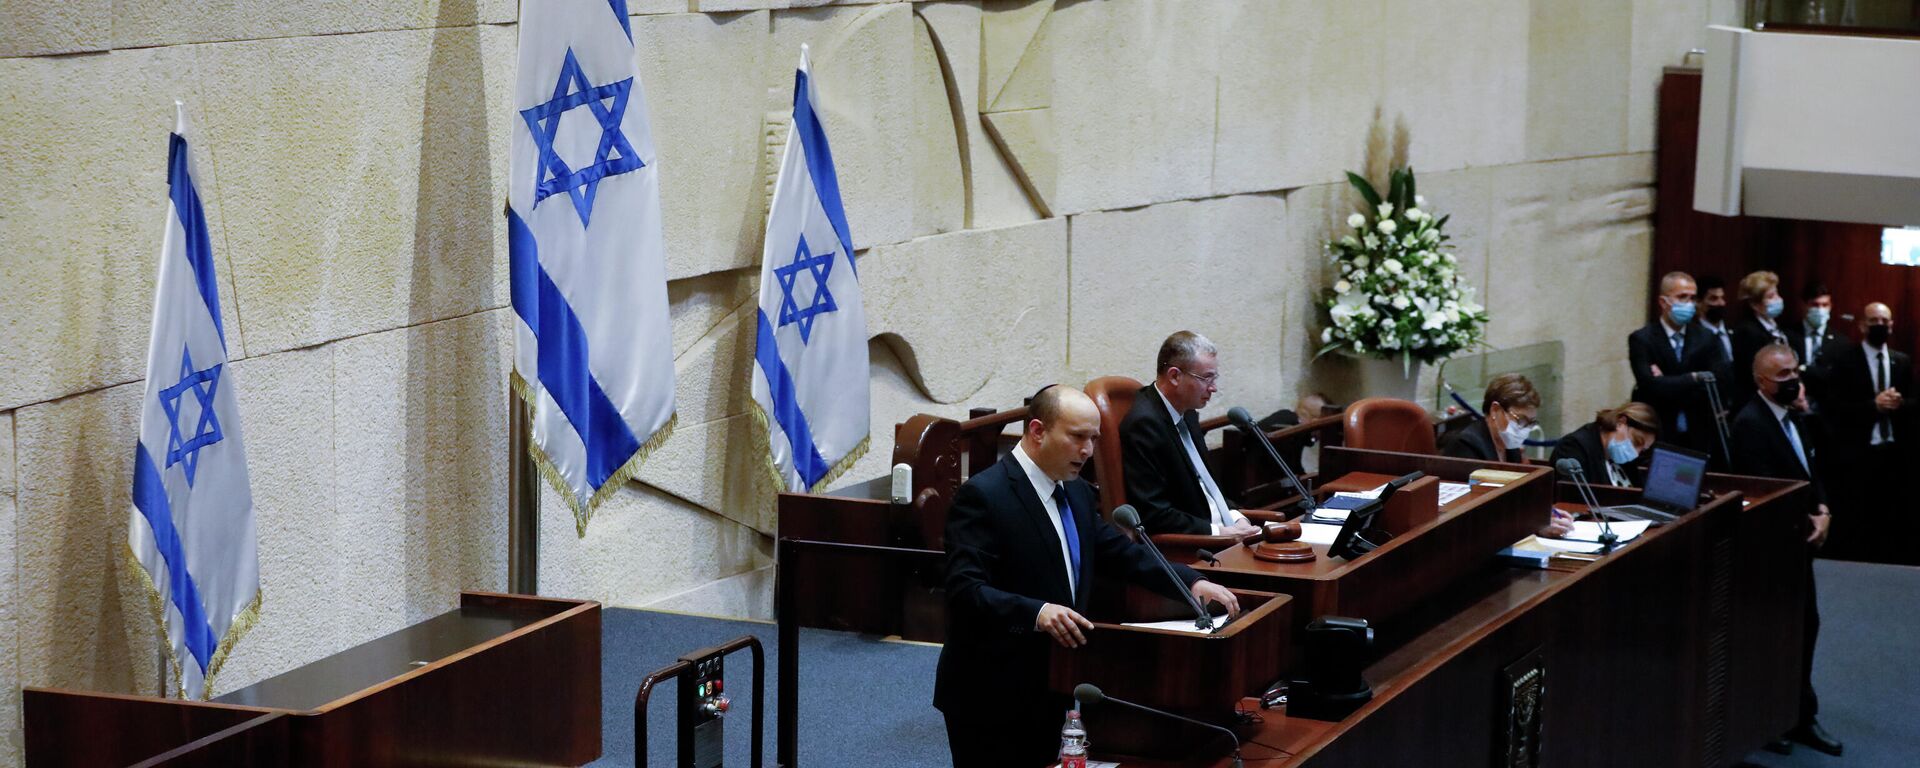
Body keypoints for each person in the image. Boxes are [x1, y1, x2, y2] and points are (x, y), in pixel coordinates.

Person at [936, 385, 1242, 768]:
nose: (1087, 450)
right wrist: (1037, 612)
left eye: (1094, 438)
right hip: (991, 687)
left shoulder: (1075, 491)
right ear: (1037, 431)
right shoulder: (984, 496)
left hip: (1056, 679)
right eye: (1077, 437)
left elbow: (1119, 553)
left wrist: (1189, 581)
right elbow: (965, 590)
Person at [1728, 344, 1841, 758]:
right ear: (1761, 381)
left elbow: (1812, 470)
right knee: (1772, 633)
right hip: (1774, 551)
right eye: (1782, 375)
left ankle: (1800, 715)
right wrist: (1808, 521)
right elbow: (1766, 493)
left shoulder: (1796, 415)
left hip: (1802, 542)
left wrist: (1824, 509)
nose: (1793, 379)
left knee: (1805, 626)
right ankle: (1769, 717)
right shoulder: (1750, 425)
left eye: (1795, 370)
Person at [1120, 332, 1261, 537]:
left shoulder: (1188, 414)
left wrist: (1237, 517)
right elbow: (1153, 514)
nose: (1213, 388)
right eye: (1206, 378)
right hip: (1192, 548)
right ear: (1175, 376)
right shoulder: (1144, 424)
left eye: (1214, 378)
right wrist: (1219, 533)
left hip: (1223, 532)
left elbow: (1206, 486)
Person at [1810, 302, 1913, 563]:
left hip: (1893, 452)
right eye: (1874, 320)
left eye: (1884, 321)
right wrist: (1873, 406)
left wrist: (1900, 404)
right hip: (1858, 452)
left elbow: (1916, 403)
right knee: (1858, 515)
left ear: (1891, 325)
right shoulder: (1845, 360)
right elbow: (1834, 408)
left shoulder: (1901, 361)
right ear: (1862, 325)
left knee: (1891, 514)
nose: (1880, 325)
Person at [1627, 271, 1730, 458]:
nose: (1689, 304)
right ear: (1663, 302)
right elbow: (1648, 385)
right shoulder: (1642, 339)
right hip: (1659, 431)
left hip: (1698, 432)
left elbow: (1719, 381)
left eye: (1692, 298)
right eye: (1682, 297)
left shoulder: (1707, 338)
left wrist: (1665, 380)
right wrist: (1694, 378)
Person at [1732, 271, 1802, 409]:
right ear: (1755, 304)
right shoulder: (1747, 331)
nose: (1778, 299)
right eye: (1771, 296)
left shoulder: (1778, 327)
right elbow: (1754, 374)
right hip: (1758, 402)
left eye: (1777, 294)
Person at [1548, 402, 1660, 488]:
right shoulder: (1574, 446)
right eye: (1636, 441)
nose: (1636, 453)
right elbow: (1572, 496)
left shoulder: (1624, 460)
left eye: (1643, 449)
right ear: (1620, 422)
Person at [1439, 373, 1539, 464]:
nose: (1525, 429)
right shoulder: (1465, 444)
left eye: (1530, 423)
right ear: (1495, 410)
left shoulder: (1511, 446)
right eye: (1520, 420)